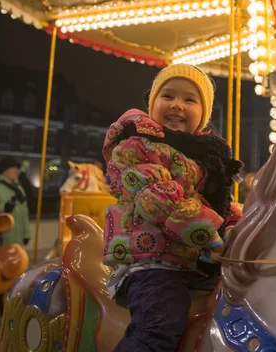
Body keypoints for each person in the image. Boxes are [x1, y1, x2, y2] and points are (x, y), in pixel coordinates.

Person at [103, 64, 243, 351]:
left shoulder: (205, 157)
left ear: (202, 116)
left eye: (190, 100)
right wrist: (209, 235)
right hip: (151, 261)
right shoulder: (136, 145)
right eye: (167, 96)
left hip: (194, 263)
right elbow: (159, 199)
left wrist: (240, 229)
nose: (177, 105)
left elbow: (221, 206)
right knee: (159, 325)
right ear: (152, 103)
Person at [0, 157, 30, 247]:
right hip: (0, 239)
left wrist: (26, 233)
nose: (16, 171)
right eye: (12, 168)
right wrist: (4, 208)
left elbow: (24, 212)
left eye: (16, 168)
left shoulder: (19, 189)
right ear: (4, 170)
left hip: (18, 239)